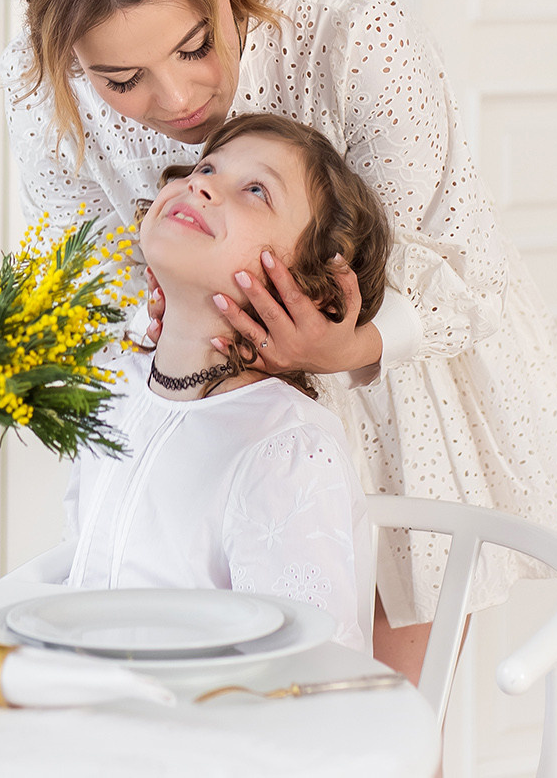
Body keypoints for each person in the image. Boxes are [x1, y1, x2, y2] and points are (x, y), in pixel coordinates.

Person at [3, 0, 557, 681]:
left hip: (393, 369)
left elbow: (446, 255)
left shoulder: (347, 21)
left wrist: (348, 348)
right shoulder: (44, 88)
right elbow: (93, 265)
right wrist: (148, 325)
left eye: (193, 49)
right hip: (205, 401)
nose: (178, 104)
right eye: (121, 80)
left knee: (377, 711)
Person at [58, 115, 388, 654]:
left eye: (256, 190)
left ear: (313, 289)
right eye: (206, 166)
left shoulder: (285, 451)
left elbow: (304, 667)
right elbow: (83, 570)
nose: (201, 183)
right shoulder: (115, 389)